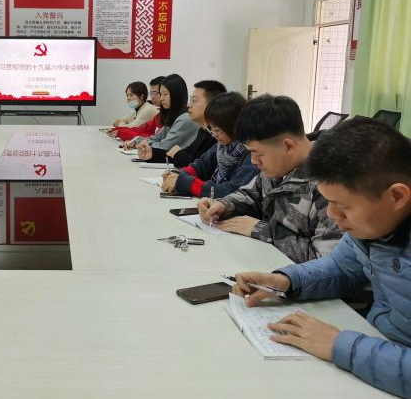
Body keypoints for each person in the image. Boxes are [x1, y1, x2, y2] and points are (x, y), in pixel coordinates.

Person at [231, 118, 411, 398]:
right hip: (380, 348)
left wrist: (340, 345)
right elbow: (341, 267)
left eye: (341, 206)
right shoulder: (373, 225)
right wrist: (286, 281)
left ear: (397, 196)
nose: (331, 215)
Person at [197, 94, 341, 263]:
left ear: (288, 146)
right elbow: (251, 195)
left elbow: (326, 261)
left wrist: (262, 230)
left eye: (257, 153)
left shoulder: (330, 185)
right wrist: (223, 205)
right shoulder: (278, 167)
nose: (253, 161)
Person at [163, 92, 258, 197]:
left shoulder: (252, 155)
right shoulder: (221, 147)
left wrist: (185, 182)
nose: (213, 134)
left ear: (233, 127)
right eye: (211, 128)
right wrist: (178, 175)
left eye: (217, 130)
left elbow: (230, 191)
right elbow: (200, 165)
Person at [138, 80, 225, 163]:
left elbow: (197, 163)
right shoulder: (204, 130)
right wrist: (152, 154)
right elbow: (188, 155)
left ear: (212, 104)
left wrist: (177, 154)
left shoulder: (218, 135)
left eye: (194, 100)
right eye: (190, 100)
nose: (189, 105)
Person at [134, 74, 199, 159]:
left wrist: (142, 144)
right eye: (161, 94)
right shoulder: (173, 117)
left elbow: (163, 146)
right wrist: (136, 141)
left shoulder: (185, 119)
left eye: (165, 94)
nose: (161, 98)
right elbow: (156, 138)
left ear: (176, 95)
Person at [113, 76, 165, 141]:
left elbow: (135, 126)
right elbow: (141, 130)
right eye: (151, 93)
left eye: (131, 95)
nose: (128, 98)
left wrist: (120, 129)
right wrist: (120, 128)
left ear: (141, 96)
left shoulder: (149, 109)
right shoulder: (138, 109)